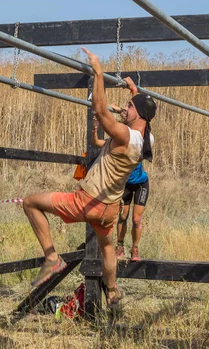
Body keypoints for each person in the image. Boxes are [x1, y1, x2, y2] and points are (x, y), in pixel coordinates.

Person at [23, 47, 156, 312]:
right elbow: (142, 112)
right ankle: (113, 295)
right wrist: (134, 92)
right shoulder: (147, 140)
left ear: (137, 114)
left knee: (30, 202)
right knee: (108, 250)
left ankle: (51, 257)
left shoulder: (123, 136)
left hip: (88, 201)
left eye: (129, 107)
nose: (124, 109)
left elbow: (99, 109)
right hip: (110, 209)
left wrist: (98, 71)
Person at [92, 103, 154, 263]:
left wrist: (121, 110)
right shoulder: (118, 139)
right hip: (126, 183)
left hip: (141, 183)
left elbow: (137, 116)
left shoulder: (137, 137)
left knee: (136, 219)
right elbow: (99, 142)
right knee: (123, 215)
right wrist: (94, 129)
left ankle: (135, 247)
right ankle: (120, 245)